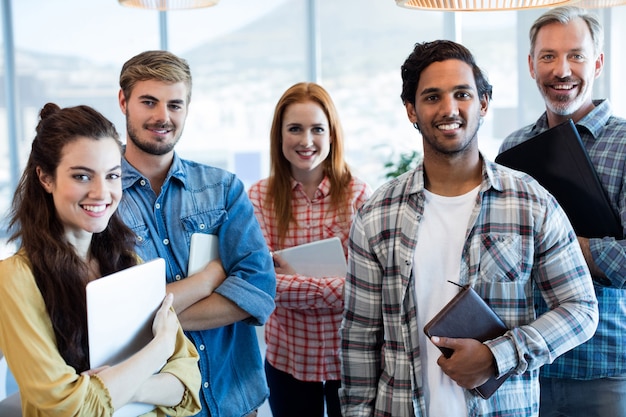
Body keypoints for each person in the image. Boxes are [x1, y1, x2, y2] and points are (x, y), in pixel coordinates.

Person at [339, 40, 599, 417]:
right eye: (431, 97)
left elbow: (581, 310)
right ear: (411, 110)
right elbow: (360, 340)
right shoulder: (377, 214)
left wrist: (499, 355)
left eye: (462, 93)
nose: (449, 109)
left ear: (483, 103)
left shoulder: (531, 202)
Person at [0, 103, 201, 416]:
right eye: (82, 176)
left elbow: (187, 385)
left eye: (112, 176)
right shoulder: (15, 278)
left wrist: (118, 385)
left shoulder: (128, 262)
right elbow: (67, 408)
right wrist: (158, 350)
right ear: (45, 178)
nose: (102, 192)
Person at [115, 50, 276, 417]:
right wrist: (208, 281)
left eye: (175, 104)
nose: (162, 116)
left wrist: (148, 323)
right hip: (155, 407)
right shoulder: (103, 204)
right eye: (148, 102)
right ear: (124, 101)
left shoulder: (223, 188)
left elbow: (259, 289)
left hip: (236, 398)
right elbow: (108, 317)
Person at [499, 6, 626, 417]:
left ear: (598, 63)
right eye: (549, 56)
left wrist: (558, 250)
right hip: (526, 364)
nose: (562, 70)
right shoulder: (512, 148)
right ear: (532, 65)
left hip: (605, 367)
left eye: (576, 55)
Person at [248, 82, 372, 417]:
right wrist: (337, 284)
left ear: (332, 134)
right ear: (279, 135)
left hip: (349, 361)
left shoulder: (358, 196)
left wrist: (290, 282)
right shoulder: (258, 198)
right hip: (287, 360)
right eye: (295, 129)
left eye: (317, 129)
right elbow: (260, 284)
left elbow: (364, 290)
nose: (306, 140)